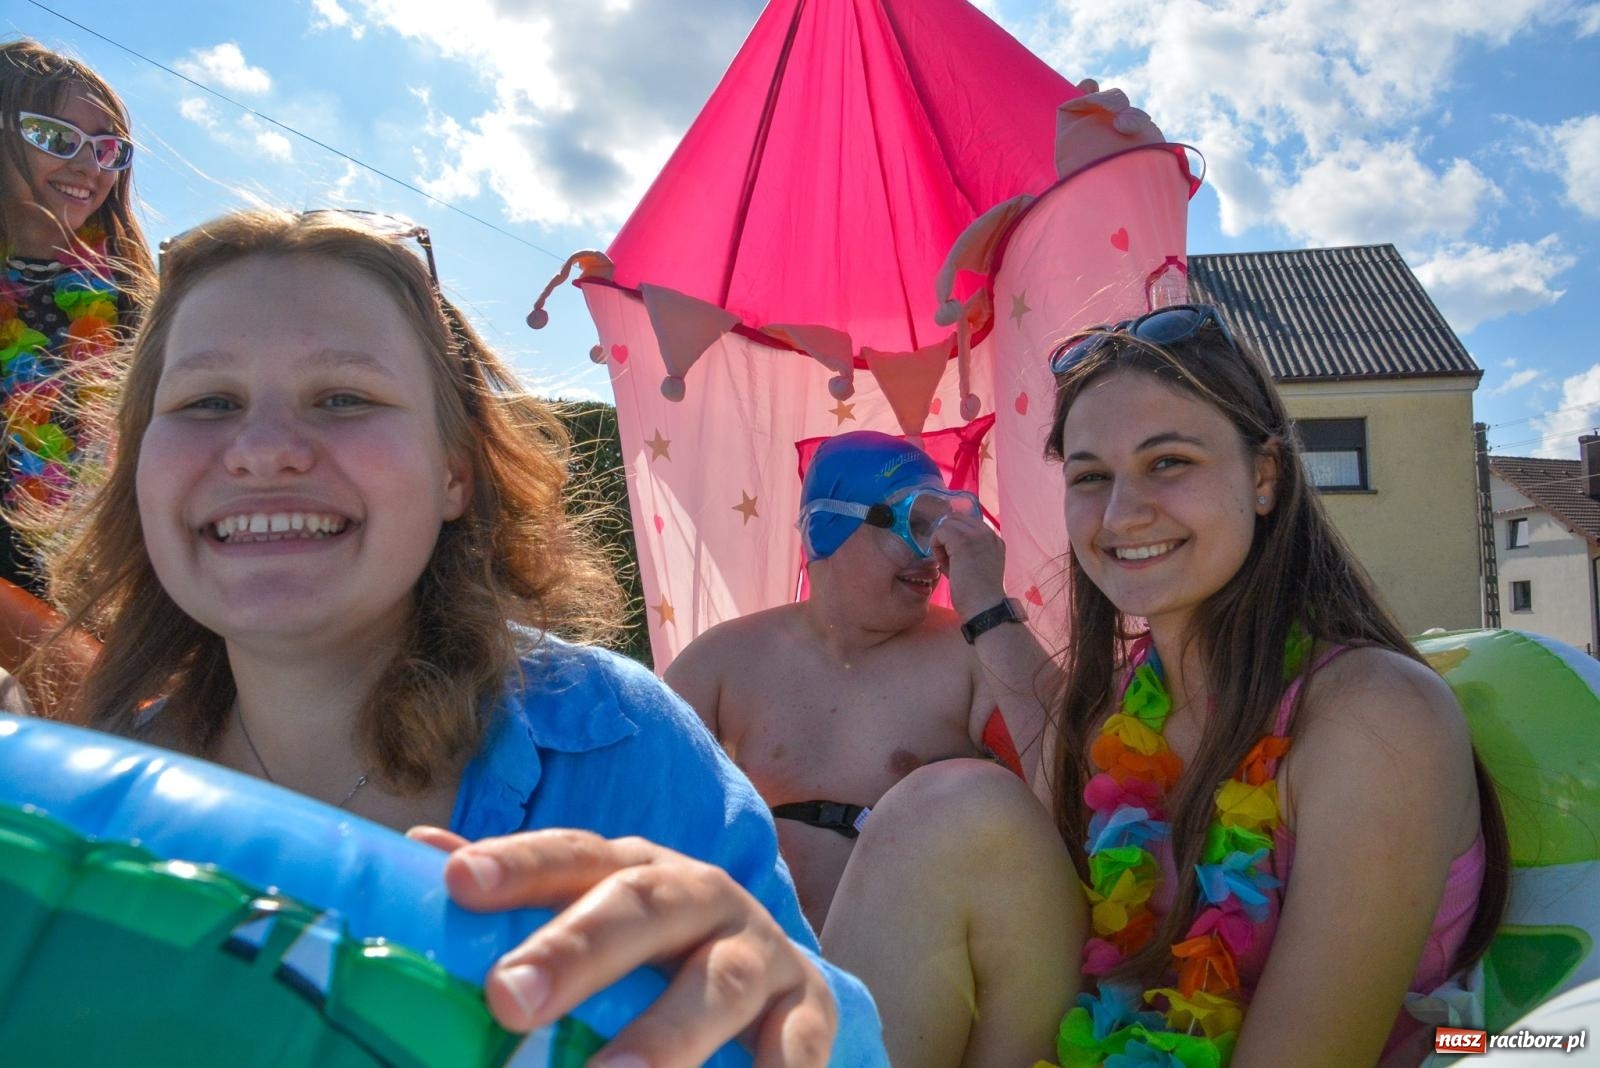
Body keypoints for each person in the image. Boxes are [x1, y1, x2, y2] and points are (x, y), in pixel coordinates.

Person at [33, 209, 884, 1067]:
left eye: (344, 398)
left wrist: (788, 1010)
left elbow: (819, 1033)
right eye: (207, 401)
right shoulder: (64, 806)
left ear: (454, 474)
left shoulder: (614, 739)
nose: (262, 451)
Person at [1041, 304, 1509, 1066]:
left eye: (1168, 463)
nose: (1122, 514)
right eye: (1090, 476)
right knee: (950, 810)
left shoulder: (1374, 717)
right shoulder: (1114, 711)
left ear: (1264, 478)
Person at [666, 430, 1084, 1065]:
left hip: (936, 996)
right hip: (766, 991)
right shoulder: (724, 662)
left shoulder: (972, 652)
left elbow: (1081, 789)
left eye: (945, 521)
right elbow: (647, 823)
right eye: (914, 523)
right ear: (823, 532)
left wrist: (989, 610)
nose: (934, 553)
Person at [0, 39, 155, 594]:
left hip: (105, 611)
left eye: (108, 148)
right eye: (55, 137)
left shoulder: (142, 307)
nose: (89, 166)